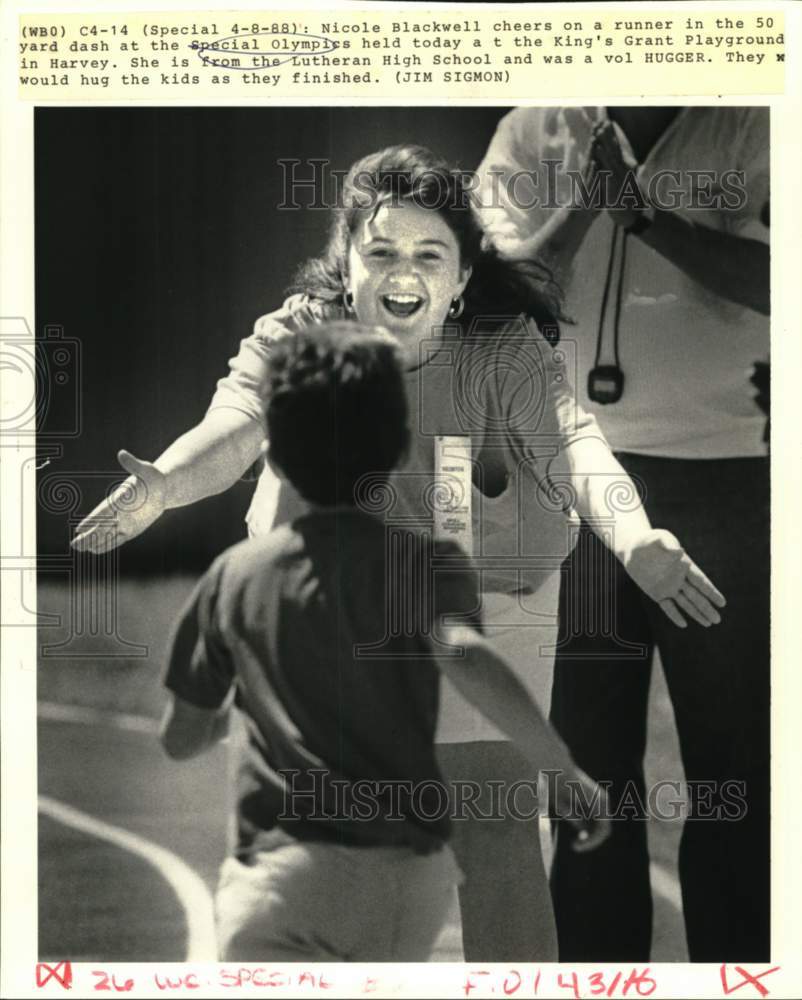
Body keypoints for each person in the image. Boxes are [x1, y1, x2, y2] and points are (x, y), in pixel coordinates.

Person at [72, 143, 725, 961]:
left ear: (458, 280)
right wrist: (164, 484)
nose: (402, 271)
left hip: (491, 590)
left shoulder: (503, 348)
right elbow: (237, 423)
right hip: (337, 601)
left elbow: (574, 444)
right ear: (347, 267)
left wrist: (636, 539)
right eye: (380, 250)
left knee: (495, 842)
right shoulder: (305, 336)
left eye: (428, 253)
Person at [160, 321, 611, 961]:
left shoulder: (234, 578)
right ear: (398, 449)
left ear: (276, 462)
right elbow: (471, 661)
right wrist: (559, 767)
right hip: (400, 878)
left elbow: (181, 738)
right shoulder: (423, 567)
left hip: (279, 875)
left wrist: (222, 716)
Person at [475, 106, 770, 961]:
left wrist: (645, 215)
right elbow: (489, 290)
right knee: (582, 772)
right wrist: (587, 202)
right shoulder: (537, 127)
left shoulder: (754, 120)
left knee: (736, 771)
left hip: (718, 475)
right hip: (563, 475)